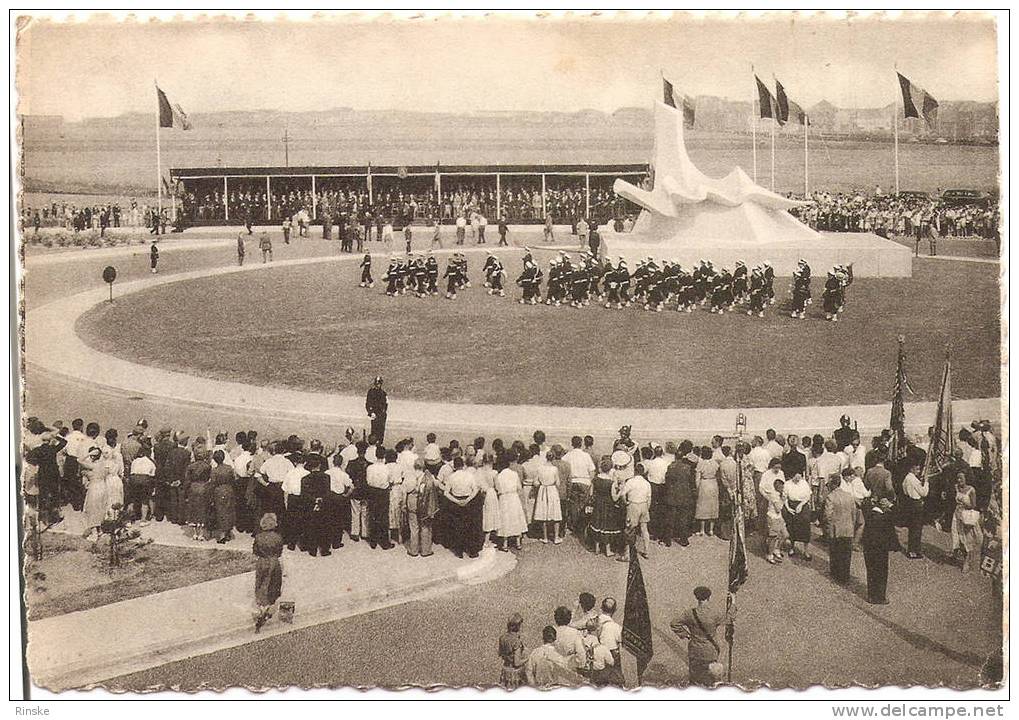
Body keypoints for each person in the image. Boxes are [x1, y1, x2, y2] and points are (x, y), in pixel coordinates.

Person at [669, 586, 734, 687]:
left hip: (694, 651)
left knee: (695, 681)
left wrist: (686, 635)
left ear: (696, 597)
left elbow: (674, 623)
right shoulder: (714, 613)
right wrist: (733, 602)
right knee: (710, 681)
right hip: (710, 652)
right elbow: (729, 619)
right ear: (709, 597)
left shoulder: (689, 613)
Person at [824, 469, 862, 583]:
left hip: (836, 529)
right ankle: (845, 575)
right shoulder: (849, 496)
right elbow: (854, 513)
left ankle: (835, 573)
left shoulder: (830, 497)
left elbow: (828, 515)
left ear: (833, 484)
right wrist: (852, 524)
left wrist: (828, 527)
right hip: (848, 527)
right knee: (846, 553)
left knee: (835, 551)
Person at [861, 494, 896, 604]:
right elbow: (899, 515)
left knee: (871, 572)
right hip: (881, 550)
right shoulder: (885, 518)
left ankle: (871, 595)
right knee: (881, 573)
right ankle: (880, 597)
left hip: (868, 548)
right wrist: (891, 506)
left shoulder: (869, 513)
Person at [613, 459, 651, 559]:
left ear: (635, 471)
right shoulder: (647, 483)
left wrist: (626, 502)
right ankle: (646, 550)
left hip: (633, 506)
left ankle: (627, 554)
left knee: (629, 529)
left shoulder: (631, 482)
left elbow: (622, 494)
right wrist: (647, 508)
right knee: (644, 529)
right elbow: (649, 498)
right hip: (644, 505)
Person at [253, 512, 284, 632]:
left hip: (262, 562)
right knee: (273, 585)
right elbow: (279, 552)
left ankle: (262, 609)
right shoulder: (278, 537)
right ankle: (268, 608)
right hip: (274, 562)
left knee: (261, 584)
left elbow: (255, 551)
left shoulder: (258, 537)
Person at [589, 456, 625, 559]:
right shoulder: (611, 483)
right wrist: (620, 490)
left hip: (598, 503)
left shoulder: (595, 479)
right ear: (610, 469)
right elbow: (614, 498)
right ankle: (607, 550)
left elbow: (591, 493)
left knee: (597, 523)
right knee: (607, 525)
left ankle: (597, 547)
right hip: (608, 505)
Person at [405, 458, 439, 557]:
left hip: (412, 501)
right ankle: (426, 550)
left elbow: (406, 489)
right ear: (424, 467)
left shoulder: (409, 476)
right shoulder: (428, 477)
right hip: (424, 503)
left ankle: (414, 550)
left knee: (414, 526)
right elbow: (436, 485)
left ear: (414, 466)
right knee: (425, 526)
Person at [950, 471, 983, 572]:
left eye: (961, 478)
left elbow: (973, 505)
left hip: (966, 516)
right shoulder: (956, 488)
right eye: (958, 478)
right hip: (957, 515)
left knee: (967, 538)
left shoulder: (971, 490)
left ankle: (967, 562)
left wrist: (964, 503)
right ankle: (956, 553)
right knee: (956, 534)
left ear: (966, 479)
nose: (959, 480)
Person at [494, 455, 527, 551]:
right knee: (515, 517)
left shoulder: (498, 476)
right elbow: (519, 488)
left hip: (504, 498)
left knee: (505, 519)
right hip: (513, 497)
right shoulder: (514, 474)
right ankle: (517, 542)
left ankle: (505, 543)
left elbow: (498, 489)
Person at [900, 460, 928, 559]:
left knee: (912, 527)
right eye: (917, 469)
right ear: (912, 469)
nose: (919, 471)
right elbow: (924, 493)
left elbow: (904, 489)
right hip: (916, 504)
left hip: (910, 503)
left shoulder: (907, 478)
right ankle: (914, 550)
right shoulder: (913, 479)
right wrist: (926, 483)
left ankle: (912, 549)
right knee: (917, 528)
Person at [533, 451, 563, 544]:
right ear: (553, 458)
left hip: (543, 490)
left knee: (543, 513)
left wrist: (542, 484)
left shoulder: (540, 468)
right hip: (552, 490)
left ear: (546, 457)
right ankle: (556, 537)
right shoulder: (554, 469)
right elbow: (558, 483)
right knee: (555, 513)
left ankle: (545, 537)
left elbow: (535, 482)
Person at [209, 449, 237, 544]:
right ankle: (228, 531)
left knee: (221, 512)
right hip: (229, 490)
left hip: (219, 491)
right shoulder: (229, 468)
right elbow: (233, 480)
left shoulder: (215, 471)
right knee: (229, 511)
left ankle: (222, 535)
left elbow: (213, 483)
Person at [694, 446, 719, 537]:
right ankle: (711, 529)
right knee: (713, 506)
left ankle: (702, 530)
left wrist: (697, 489)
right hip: (713, 483)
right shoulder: (715, 463)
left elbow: (697, 478)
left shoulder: (701, 464)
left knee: (702, 506)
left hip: (704, 484)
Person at [498, 614, 527, 690]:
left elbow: (500, 653)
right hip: (514, 673)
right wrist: (527, 659)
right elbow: (517, 663)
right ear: (517, 626)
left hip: (505, 670)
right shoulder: (516, 641)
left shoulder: (502, 638)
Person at [365, 376, 388, 443]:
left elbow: (385, 405)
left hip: (381, 415)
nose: (377, 385)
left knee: (381, 431)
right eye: (376, 383)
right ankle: (374, 442)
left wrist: (382, 414)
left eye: (379, 383)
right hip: (374, 414)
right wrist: (371, 412)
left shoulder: (383, 393)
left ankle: (380, 443)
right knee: (374, 430)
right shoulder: (371, 392)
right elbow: (368, 403)